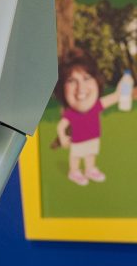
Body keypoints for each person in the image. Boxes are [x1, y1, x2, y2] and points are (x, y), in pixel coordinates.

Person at [52, 48, 135, 185]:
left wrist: (124, 88)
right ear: (62, 88)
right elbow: (61, 127)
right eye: (72, 80)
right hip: (77, 140)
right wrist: (62, 137)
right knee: (76, 155)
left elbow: (115, 96)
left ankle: (90, 169)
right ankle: (74, 171)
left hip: (93, 137)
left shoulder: (96, 106)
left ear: (97, 81)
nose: (81, 87)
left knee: (91, 153)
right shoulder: (71, 113)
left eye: (86, 78)